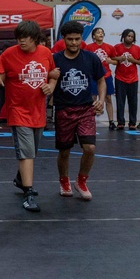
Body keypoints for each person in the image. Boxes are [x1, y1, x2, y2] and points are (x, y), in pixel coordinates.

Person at [0, 20, 59, 212]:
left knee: (31, 152)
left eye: (25, 37)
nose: (21, 41)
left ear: (35, 38)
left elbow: (52, 74)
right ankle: (29, 193)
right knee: (26, 153)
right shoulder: (9, 54)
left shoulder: (45, 53)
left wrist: (51, 86)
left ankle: (20, 179)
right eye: (18, 38)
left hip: (38, 110)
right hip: (18, 111)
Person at [52, 21, 106, 199]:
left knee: (89, 148)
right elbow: (48, 81)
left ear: (81, 39)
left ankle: (81, 181)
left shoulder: (91, 58)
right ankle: (64, 180)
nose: (74, 43)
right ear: (63, 39)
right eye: (70, 39)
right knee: (64, 151)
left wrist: (101, 99)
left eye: (77, 39)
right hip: (63, 110)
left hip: (85, 109)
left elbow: (101, 80)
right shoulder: (55, 59)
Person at [84, 27, 118, 130]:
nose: (100, 34)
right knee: (93, 98)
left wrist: (110, 61)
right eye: (98, 33)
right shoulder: (89, 47)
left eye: (102, 32)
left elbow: (116, 61)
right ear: (94, 36)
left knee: (108, 98)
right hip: (93, 76)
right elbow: (84, 60)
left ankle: (111, 121)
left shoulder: (110, 47)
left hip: (106, 75)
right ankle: (91, 121)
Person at [111, 28, 140, 130]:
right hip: (120, 77)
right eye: (128, 36)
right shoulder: (117, 47)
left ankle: (132, 123)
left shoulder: (137, 48)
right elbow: (111, 57)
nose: (130, 38)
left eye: (132, 36)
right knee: (120, 101)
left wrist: (133, 60)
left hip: (133, 78)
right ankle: (120, 122)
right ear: (124, 36)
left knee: (133, 101)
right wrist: (118, 58)